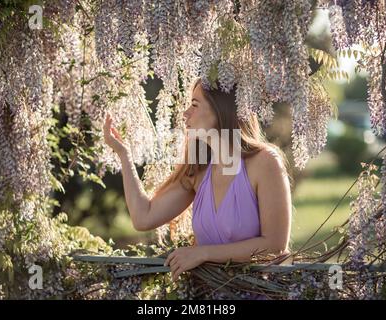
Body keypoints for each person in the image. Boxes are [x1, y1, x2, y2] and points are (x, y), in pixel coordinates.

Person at [103, 78, 292, 283]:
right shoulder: (200, 171)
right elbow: (143, 217)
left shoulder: (264, 162)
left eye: (194, 105)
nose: (185, 114)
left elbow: (275, 246)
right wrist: (124, 155)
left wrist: (203, 253)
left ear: (221, 109)